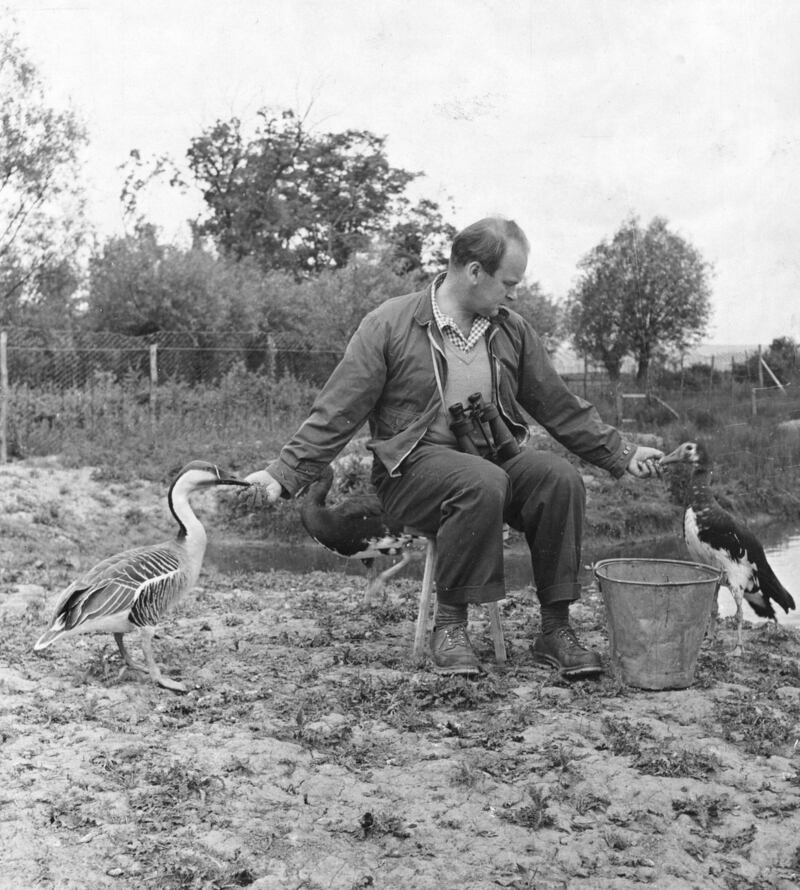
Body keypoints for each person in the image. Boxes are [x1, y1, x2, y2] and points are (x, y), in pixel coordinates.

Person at [246, 217, 663, 678]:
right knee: (479, 480)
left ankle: (555, 629)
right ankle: (450, 626)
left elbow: (559, 406)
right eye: (508, 282)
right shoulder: (388, 324)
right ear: (473, 272)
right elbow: (336, 410)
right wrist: (282, 474)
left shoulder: (511, 330)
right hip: (412, 474)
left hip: (493, 465)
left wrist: (622, 454)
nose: (513, 294)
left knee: (557, 478)